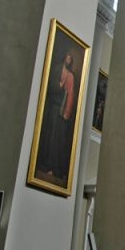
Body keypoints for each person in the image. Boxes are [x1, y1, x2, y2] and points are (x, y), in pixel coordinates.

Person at [37, 51, 76, 181]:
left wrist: (67, 112)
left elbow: (70, 94)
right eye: (67, 57)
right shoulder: (57, 69)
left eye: (70, 59)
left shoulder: (70, 76)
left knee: (56, 139)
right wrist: (58, 85)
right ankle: (45, 164)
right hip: (52, 107)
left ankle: (53, 167)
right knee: (48, 136)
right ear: (64, 58)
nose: (68, 60)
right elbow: (51, 84)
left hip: (60, 109)